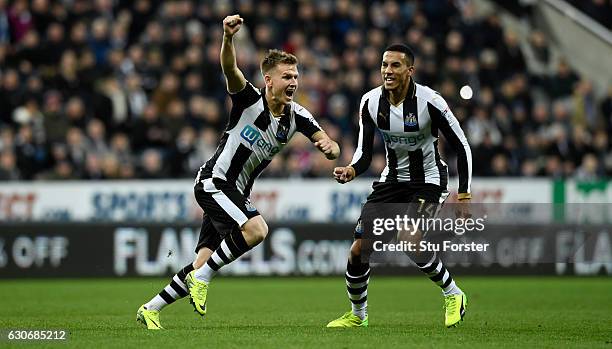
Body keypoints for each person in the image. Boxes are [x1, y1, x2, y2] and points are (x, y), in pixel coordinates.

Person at [137, 14, 340, 330]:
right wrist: (228, 38)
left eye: (296, 76)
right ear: (269, 80)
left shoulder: (298, 116)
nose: (294, 82)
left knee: (202, 260)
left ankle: (150, 308)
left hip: (233, 193)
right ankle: (203, 279)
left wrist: (329, 147)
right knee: (257, 230)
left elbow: (328, 140)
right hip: (214, 182)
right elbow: (230, 69)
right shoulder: (248, 100)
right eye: (287, 76)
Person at [326, 44, 472, 328]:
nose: (387, 71)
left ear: (410, 71)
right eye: (384, 65)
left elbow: (461, 146)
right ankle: (358, 316)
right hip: (391, 180)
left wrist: (464, 195)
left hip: (428, 181)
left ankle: (453, 293)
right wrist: (352, 169)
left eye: (395, 66)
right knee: (358, 250)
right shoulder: (369, 102)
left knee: (409, 236)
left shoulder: (431, 102)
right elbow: (365, 153)